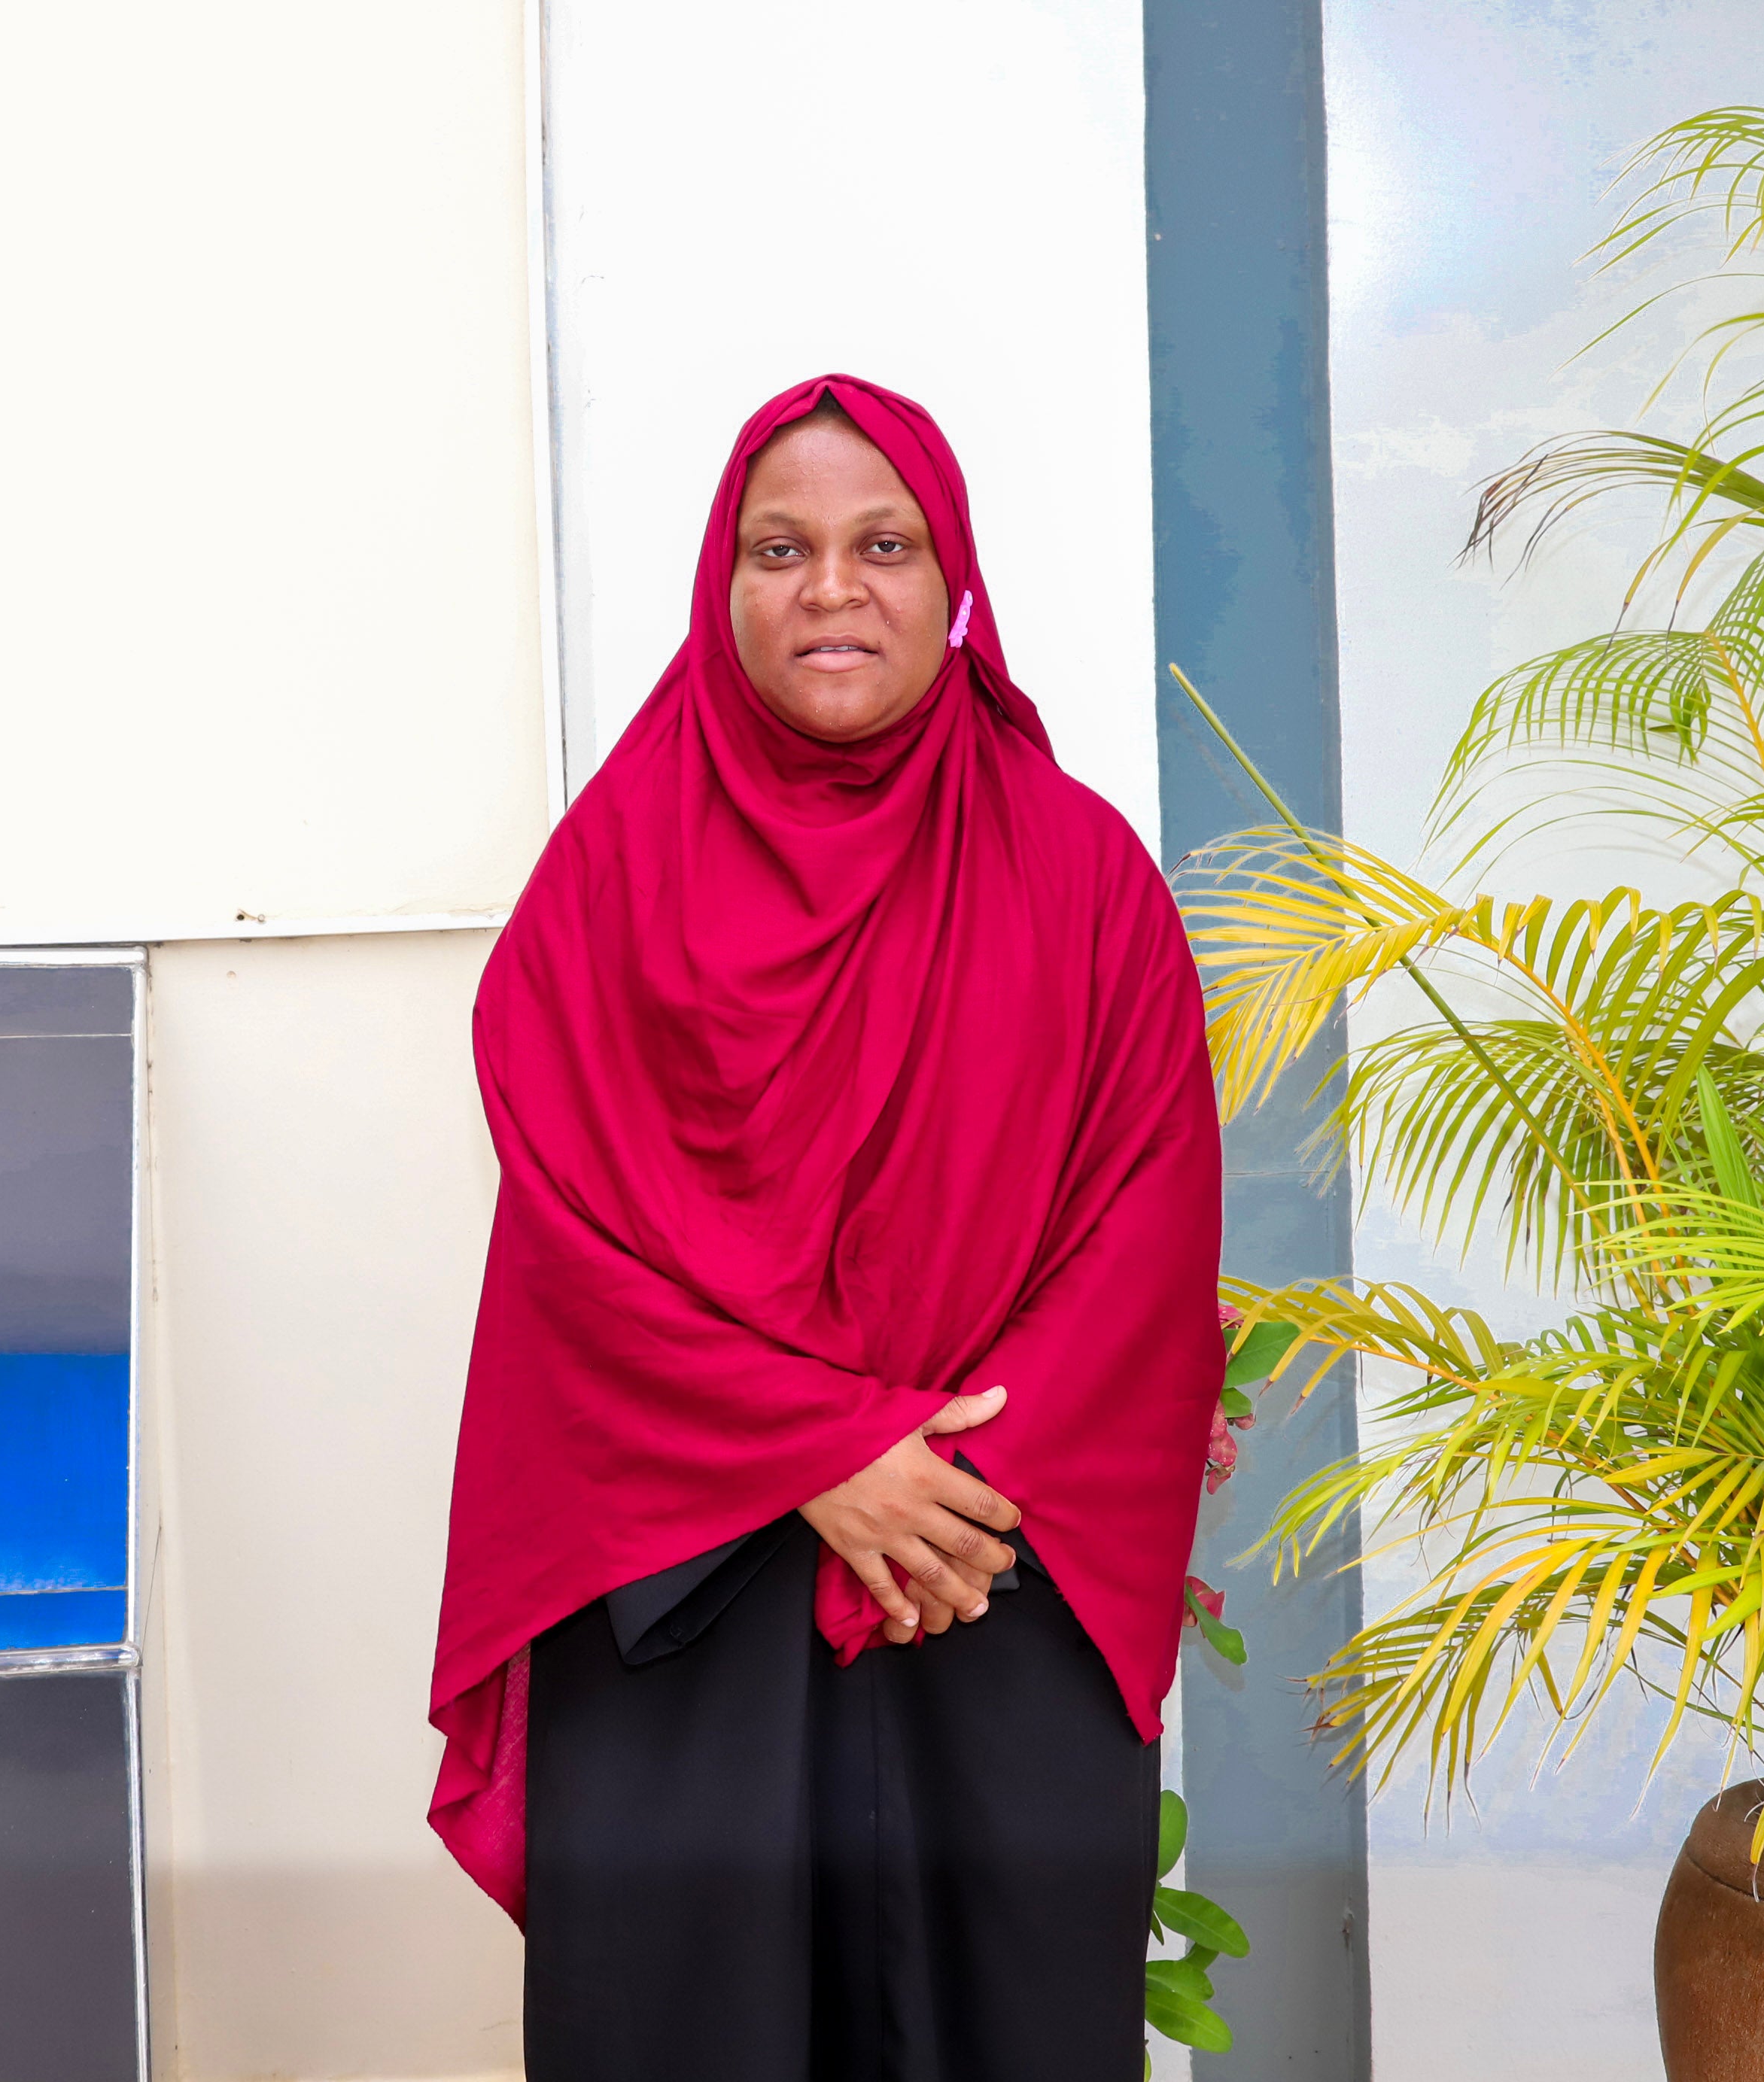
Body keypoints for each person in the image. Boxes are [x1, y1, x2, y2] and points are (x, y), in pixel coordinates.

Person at [427, 374, 1225, 2080]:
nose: (831, 588)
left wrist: (929, 1492)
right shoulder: (610, 873)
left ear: (955, 589)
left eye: (884, 543)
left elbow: (1144, 1219)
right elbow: (569, 1241)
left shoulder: (1083, 877)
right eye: (777, 547)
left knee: (1001, 2024)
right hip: (678, 1590)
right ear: (723, 590)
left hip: (992, 1574)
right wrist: (821, 1451)